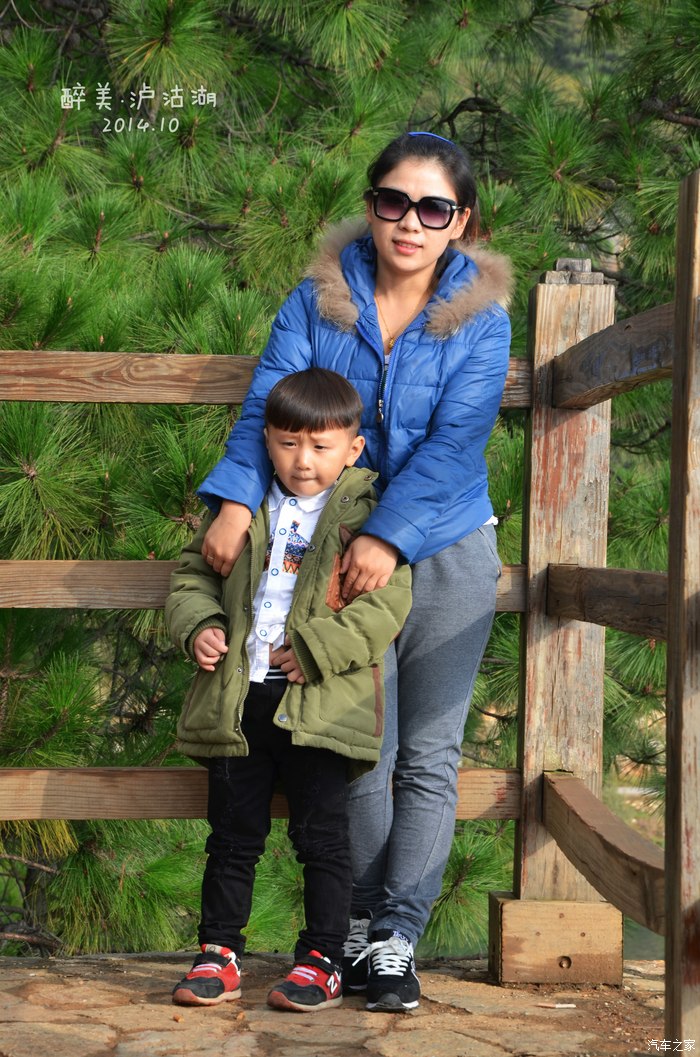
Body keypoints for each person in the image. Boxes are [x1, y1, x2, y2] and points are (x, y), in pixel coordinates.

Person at [196, 130, 512, 1012]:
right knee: (359, 745)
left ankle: (397, 937)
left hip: (445, 542)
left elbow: (457, 440)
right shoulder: (318, 298)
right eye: (393, 201)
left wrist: (391, 535)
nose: (410, 222)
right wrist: (234, 500)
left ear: (460, 221)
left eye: (433, 208)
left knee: (431, 754)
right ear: (371, 204)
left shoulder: (483, 317)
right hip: (330, 548)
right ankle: (361, 928)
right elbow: (265, 404)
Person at [165, 368, 412, 1013]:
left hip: (320, 706)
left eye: (321, 446)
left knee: (323, 839)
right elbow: (192, 575)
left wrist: (316, 650)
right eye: (287, 443)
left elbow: (387, 606)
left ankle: (322, 960)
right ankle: (218, 952)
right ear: (267, 443)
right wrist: (200, 624)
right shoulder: (243, 508)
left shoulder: (369, 516)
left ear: (353, 449)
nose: (303, 461)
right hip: (238, 700)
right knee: (232, 835)